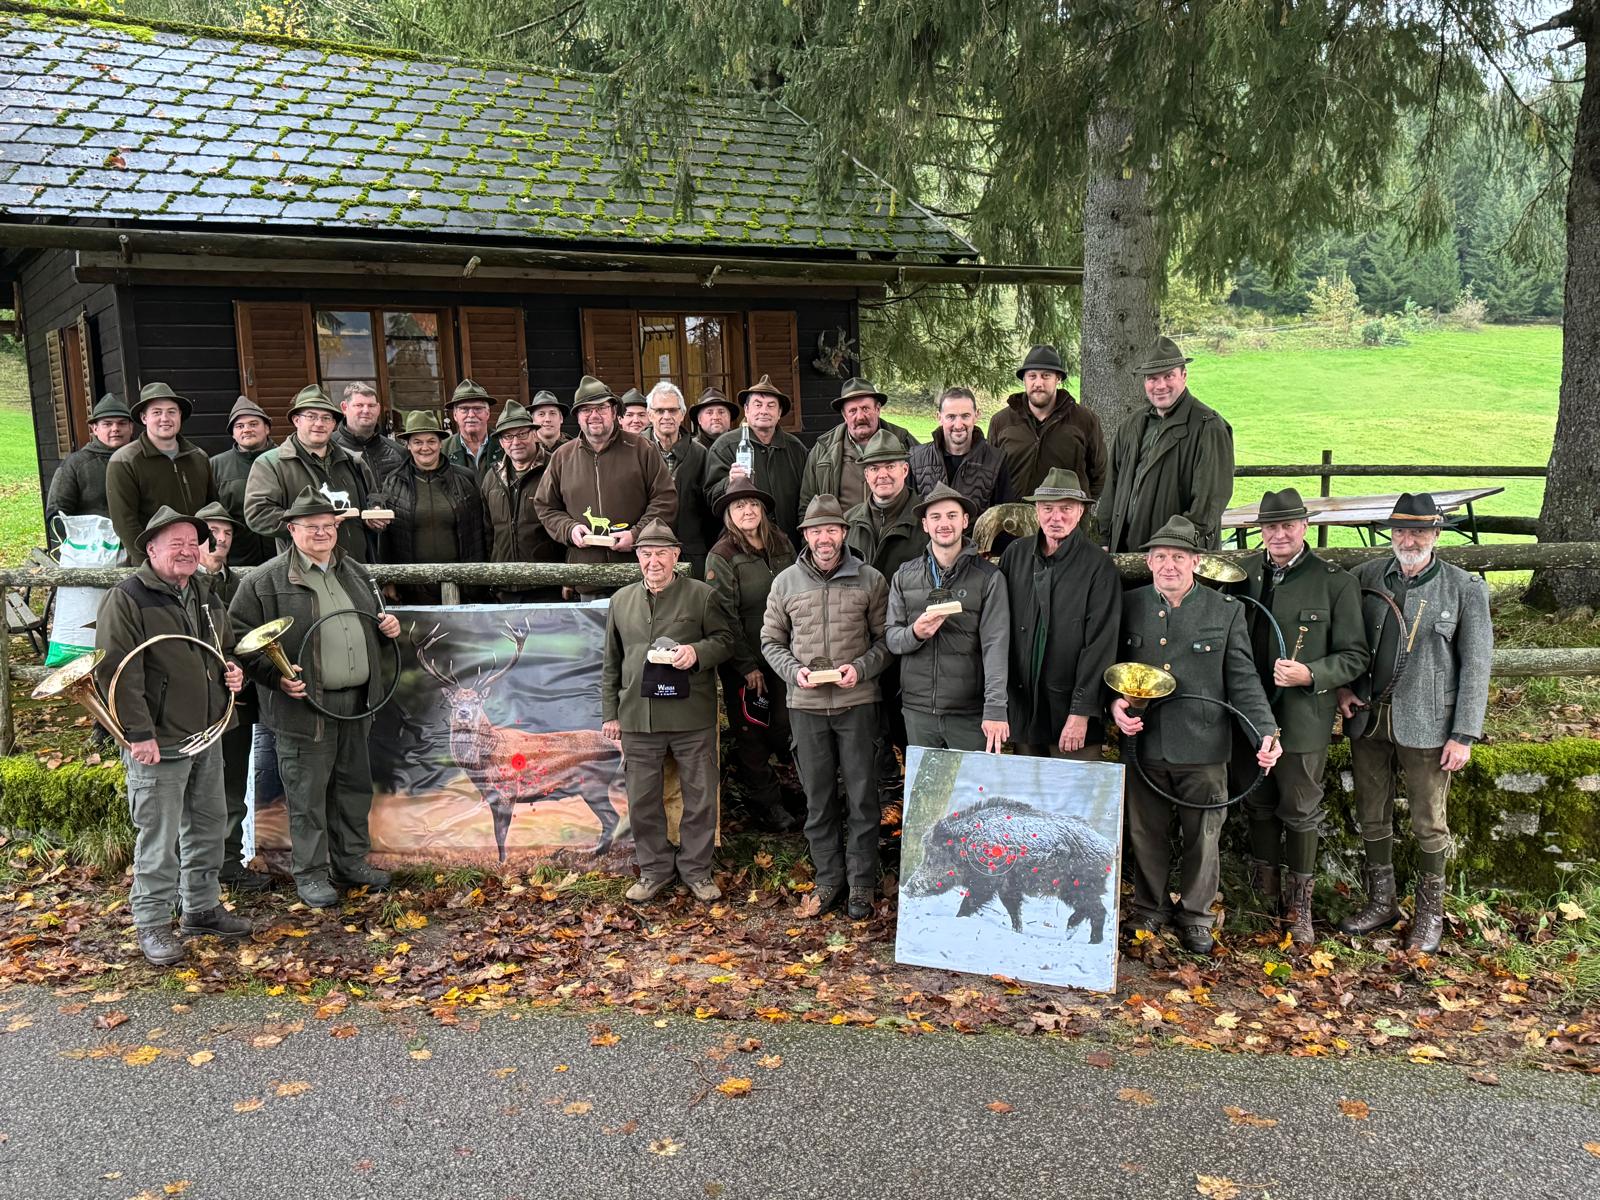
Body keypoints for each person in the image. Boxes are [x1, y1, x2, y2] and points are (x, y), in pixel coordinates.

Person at [1110, 516, 1280, 955]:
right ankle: (1149, 908)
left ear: (1196, 562)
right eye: (1161, 557)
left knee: (1203, 835)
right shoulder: (1128, 605)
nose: (1169, 565)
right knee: (1145, 832)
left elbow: (1243, 681)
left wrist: (1265, 733)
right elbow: (1104, 670)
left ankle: (1197, 915)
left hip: (1202, 746)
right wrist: (1111, 708)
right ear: (1148, 562)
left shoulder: (1226, 612)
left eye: (1179, 557)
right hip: (1144, 742)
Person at [229, 486, 401, 910]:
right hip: (302, 709)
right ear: (291, 530)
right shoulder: (263, 581)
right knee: (307, 793)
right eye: (312, 527)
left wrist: (389, 630)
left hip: (357, 702)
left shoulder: (355, 573)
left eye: (329, 526)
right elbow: (238, 640)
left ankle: (351, 863)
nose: (322, 533)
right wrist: (276, 677)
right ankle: (311, 874)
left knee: (352, 787)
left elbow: (370, 623)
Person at [1338, 493, 1492, 953]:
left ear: (1436, 535)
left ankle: (1429, 915)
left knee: (1429, 822)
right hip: (1368, 718)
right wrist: (1344, 690)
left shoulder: (1464, 587)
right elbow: (1346, 644)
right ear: (1391, 533)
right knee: (1371, 812)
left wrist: (1463, 733)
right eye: (1402, 530)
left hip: (1430, 723)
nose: (1409, 538)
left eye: (1419, 530)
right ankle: (1381, 902)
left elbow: (1477, 664)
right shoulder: (1363, 578)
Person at [95, 506, 250, 965]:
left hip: (207, 731)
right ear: (151, 548)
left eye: (193, 542)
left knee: (207, 825)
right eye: (176, 543)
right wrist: (138, 733)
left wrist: (233, 674)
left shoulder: (202, 589)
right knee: (158, 836)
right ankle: (153, 922)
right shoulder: (128, 597)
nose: (187, 550)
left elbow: (221, 647)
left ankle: (200, 908)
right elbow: (116, 671)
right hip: (157, 740)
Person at [1236, 488, 1368, 946]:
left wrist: (1312, 672)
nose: (1278, 534)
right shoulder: (1243, 574)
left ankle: (1300, 907)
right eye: (1270, 527)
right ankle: (1262, 896)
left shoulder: (1334, 582)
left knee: (1299, 808)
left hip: (1302, 717)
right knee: (1258, 803)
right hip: (1248, 714)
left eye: (1287, 526)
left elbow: (1355, 655)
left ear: (1304, 528)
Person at [761, 495, 891, 921]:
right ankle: (828, 879)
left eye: (831, 530)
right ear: (806, 536)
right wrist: (793, 672)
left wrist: (861, 668)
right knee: (818, 801)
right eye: (815, 531)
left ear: (843, 533)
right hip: (806, 704)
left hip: (857, 703)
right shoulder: (785, 583)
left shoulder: (870, 580)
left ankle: (861, 883)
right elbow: (770, 642)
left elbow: (885, 641)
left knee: (861, 798)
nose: (824, 538)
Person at [600, 519, 735, 903]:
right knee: (642, 800)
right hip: (638, 717)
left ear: (676, 556)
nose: (653, 561)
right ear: (637, 558)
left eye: (661, 553)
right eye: (646, 553)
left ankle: (696, 870)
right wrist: (611, 713)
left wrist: (697, 653)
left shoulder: (701, 596)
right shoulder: (620, 601)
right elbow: (612, 662)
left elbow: (725, 641)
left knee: (701, 796)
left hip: (692, 716)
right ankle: (655, 870)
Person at [998, 468, 1122, 760]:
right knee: (1026, 799)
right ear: (1037, 510)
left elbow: (1100, 645)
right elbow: (997, 627)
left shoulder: (1098, 566)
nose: (1056, 517)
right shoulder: (1015, 555)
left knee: (1073, 797)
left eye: (1066, 508)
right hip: (1025, 706)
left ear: (1080, 511)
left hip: (1070, 709)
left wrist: (1080, 713)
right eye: (1048, 508)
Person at [704, 476, 801, 833]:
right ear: (729, 513)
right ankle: (766, 804)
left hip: (788, 655)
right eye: (739, 505)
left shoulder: (782, 544)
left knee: (788, 726)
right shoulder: (724, 554)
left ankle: (796, 792)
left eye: (753, 504)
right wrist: (745, 665)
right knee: (752, 732)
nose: (748, 510)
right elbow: (723, 614)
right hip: (748, 660)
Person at [885, 483, 1010, 753]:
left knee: (973, 794)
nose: (944, 523)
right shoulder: (904, 576)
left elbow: (996, 647)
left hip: (969, 713)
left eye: (952, 516)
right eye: (936, 517)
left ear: (965, 521)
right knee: (927, 793)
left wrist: (995, 708)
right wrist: (916, 633)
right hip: (918, 710)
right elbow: (892, 639)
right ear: (925, 525)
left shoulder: (988, 578)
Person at [844, 430, 928, 804]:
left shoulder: (927, 519)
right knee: (869, 729)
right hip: (862, 645)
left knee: (908, 728)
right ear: (865, 475)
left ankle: (918, 807)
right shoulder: (848, 523)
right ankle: (884, 805)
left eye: (890, 466)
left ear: (905, 470)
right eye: (874, 467)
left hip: (914, 644)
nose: (883, 474)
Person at [194, 500, 273, 893]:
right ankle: (193, 873)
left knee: (233, 784)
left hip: (235, 701)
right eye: (212, 532)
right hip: (192, 708)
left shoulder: (242, 584)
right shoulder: (182, 584)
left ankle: (228, 862)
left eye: (226, 533)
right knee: (193, 792)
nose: (220, 539)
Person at [1101, 336, 1236, 553]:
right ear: (1144, 382)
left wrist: (1175, 546)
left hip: (1177, 556)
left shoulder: (1208, 427)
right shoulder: (1131, 425)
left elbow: (1208, 503)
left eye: (1168, 376)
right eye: (1152, 378)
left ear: (1184, 376)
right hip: (1125, 549)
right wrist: (1105, 538)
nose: (1160, 385)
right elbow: (1112, 486)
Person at [534, 375, 678, 565]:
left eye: (601, 408)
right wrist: (569, 529)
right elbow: (546, 506)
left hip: (636, 569)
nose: (594, 415)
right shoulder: (562, 457)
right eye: (586, 410)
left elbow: (665, 499)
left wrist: (637, 534)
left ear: (613, 412)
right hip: (586, 572)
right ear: (577, 417)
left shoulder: (643, 449)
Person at [244, 385, 385, 564]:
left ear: (334, 424)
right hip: (303, 571)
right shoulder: (271, 464)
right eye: (311, 416)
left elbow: (373, 497)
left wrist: (375, 512)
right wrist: (312, 523)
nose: (319, 423)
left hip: (356, 566)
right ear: (296, 420)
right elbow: (258, 515)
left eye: (326, 418)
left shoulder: (354, 461)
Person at [377, 410, 489, 603]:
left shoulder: (465, 478)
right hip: (413, 585)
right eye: (418, 442)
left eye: (431, 441)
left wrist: (479, 579)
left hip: (462, 582)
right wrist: (388, 579)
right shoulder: (394, 482)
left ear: (440, 443)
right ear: (408, 445)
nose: (425, 448)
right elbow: (387, 537)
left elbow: (479, 529)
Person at [106, 382, 218, 567]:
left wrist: (209, 549)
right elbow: (124, 523)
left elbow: (211, 507)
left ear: (180, 415)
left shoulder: (199, 457)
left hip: (198, 560)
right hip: (153, 564)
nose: (165, 418)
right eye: (157, 412)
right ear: (144, 418)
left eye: (171, 412)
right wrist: (149, 564)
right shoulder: (125, 461)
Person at [986, 345, 1106, 502]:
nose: (1038, 383)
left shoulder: (1084, 420)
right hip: (1014, 522)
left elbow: (1099, 474)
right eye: (1032, 376)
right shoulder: (1001, 422)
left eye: (1046, 376)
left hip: (1065, 520)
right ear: (1024, 379)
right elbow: (990, 475)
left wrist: (1077, 509)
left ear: (1058, 379)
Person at [704, 376, 808, 546]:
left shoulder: (796, 449)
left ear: (779, 412)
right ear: (746, 409)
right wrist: (728, 482)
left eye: (771, 406)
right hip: (743, 547)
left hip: (790, 545)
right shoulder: (725, 446)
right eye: (758, 405)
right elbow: (710, 497)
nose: (764, 411)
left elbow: (808, 497)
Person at [798, 377, 918, 518]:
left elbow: (927, 489)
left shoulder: (903, 441)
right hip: (844, 538)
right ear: (844, 415)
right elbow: (807, 506)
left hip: (897, 535)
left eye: (865, 409)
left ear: (877, 409)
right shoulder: (823, 450)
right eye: (852, 411)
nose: (860, 416)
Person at [480, 400, 563, 601]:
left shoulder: (556, 469)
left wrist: (568, 577)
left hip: (548, 585)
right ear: (500, 442)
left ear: (534, 434)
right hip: (504, 586)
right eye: (508, 436)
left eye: (522, 434)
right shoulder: (491, 477)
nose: (515, 442)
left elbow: (570, 524)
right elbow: (488, 532)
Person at [907, 386, 1017, 513]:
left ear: (976, 415)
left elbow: (1005, 517)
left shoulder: (996, 460)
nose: (958, 425)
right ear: (939, 417)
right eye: (951, 417)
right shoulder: (916, 459)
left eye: (965, 416)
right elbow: (908, 516)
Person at [644, 381, 714, 577]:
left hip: (690, 551)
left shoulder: (700, 453)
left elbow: (708, 508)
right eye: (659, 411)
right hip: (648, 551)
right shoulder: (636, 450)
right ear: (650, 415)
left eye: (673, 410)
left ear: (682, 414)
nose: (667, 416)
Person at [46, 393, 133, 530]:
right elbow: (56, 514)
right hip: (92, 547)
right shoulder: (75, 464)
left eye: (122, 423)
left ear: (131, 427)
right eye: (107, 424)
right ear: (95, 429)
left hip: (141, 546)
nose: (115, 428)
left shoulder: (141, 460)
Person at [208, 396, 276, 567]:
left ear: (267, 428)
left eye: (253, 424)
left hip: (282, 554)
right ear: (233, 433)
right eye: (240, 426)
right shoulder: (216, 465)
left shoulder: (285, 459)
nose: (246, 430)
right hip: (237, 559)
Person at [331, 381, 407, 483]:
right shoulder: (328, 448)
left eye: (371, 406)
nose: (366, 410)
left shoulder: (398, 452)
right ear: (344, 407)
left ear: (378, 409)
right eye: (359, 405)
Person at [442, 379, 504, 478]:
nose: (471, 415)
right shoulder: (443, 449)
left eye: (478, 409)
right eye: (464, 409)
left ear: (487, 413)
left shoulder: (505, 443)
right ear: (455, 415)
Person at [688, 385, 739, 450]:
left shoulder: (742, 446)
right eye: (709, 413)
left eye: (721, 412)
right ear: (699, 419)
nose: (716, 417)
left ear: (730, 417)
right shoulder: (690, 449)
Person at [529, 389, 570, 455]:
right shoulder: (525, 450)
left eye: (552, 413)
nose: (547, 419)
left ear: (561, 418)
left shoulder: (575, 449)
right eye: (541, 414)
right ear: (532, 420)